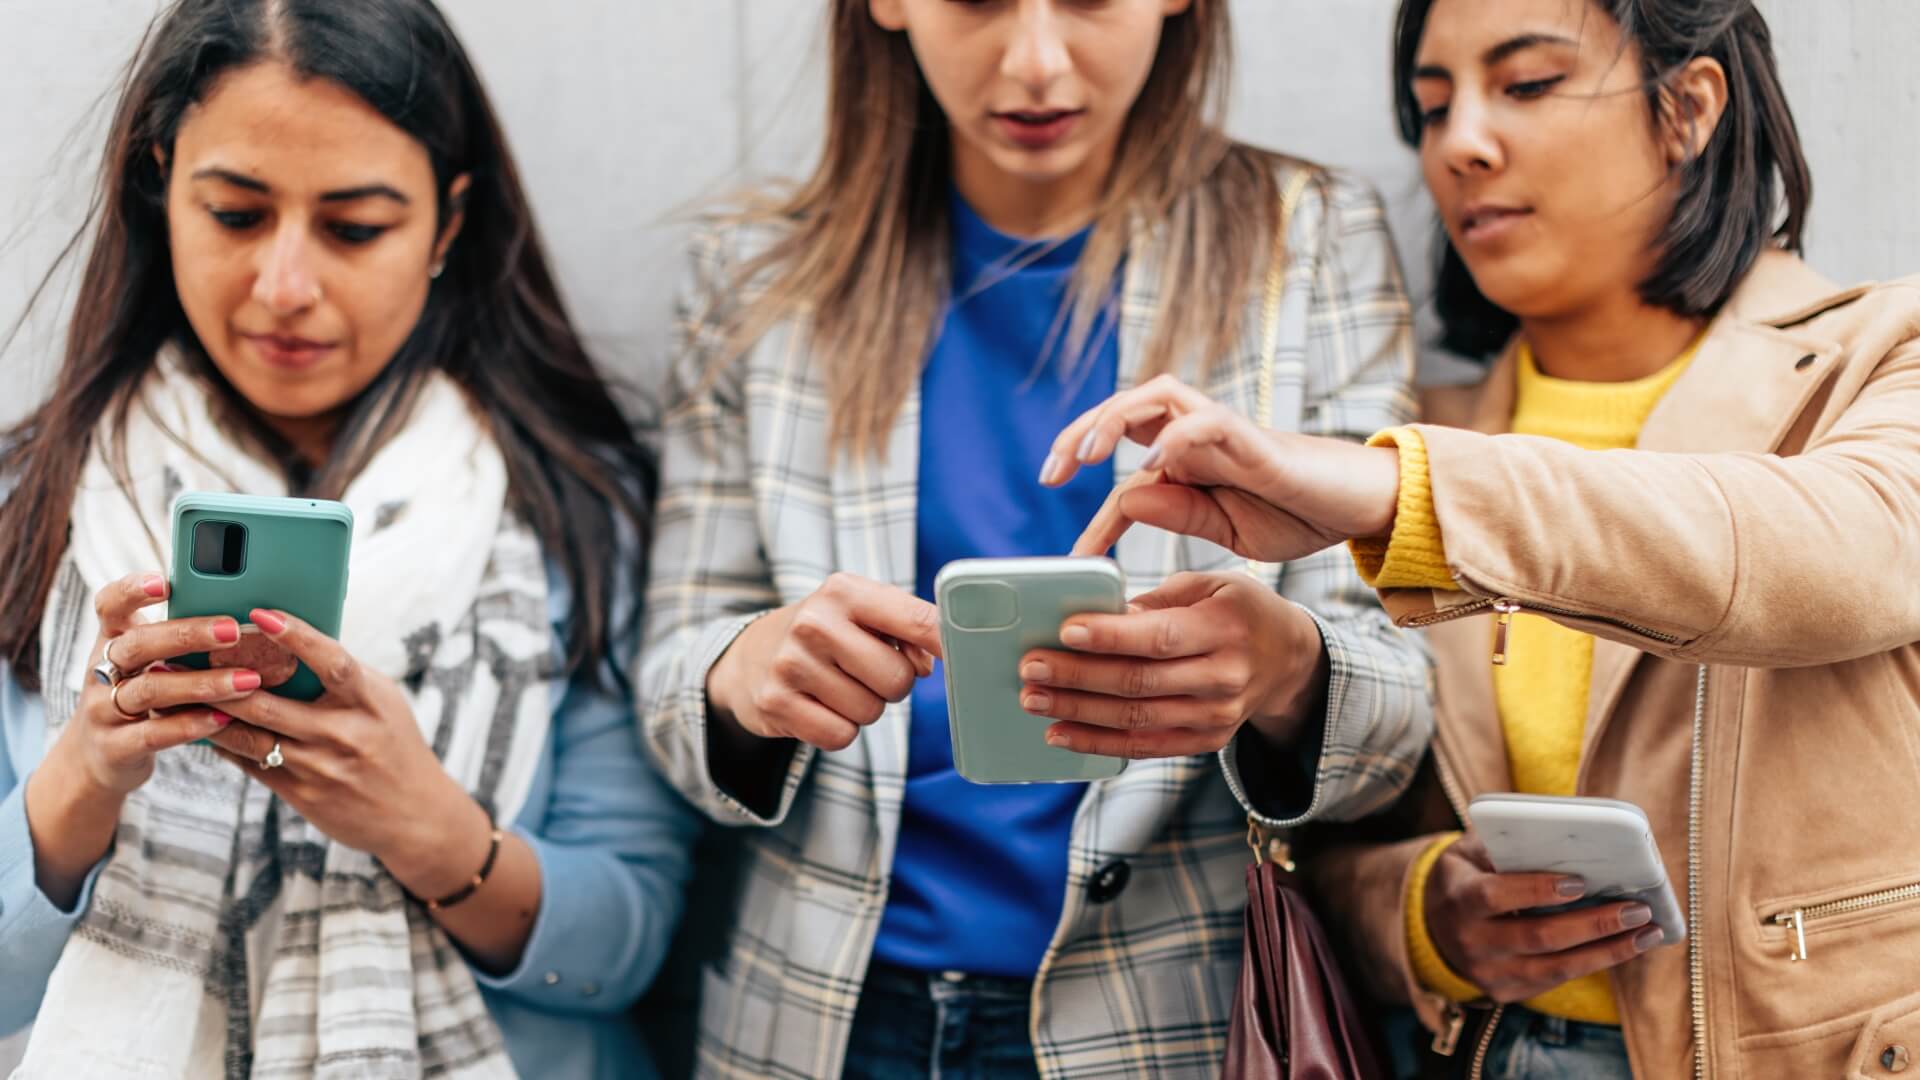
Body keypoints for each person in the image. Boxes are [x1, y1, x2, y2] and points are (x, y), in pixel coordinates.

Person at [1046, 0, 1920, 1076]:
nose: (1461, 142)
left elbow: (1828, 550)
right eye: (1431, 106)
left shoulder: (1876, 361)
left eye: (1529, 83)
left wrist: (1393, 487)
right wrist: (1424, 917)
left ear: (1688, 107)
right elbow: (1319, 855)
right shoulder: (1421, 430)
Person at [637, 1, 1434, 1076]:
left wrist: (1287, 671)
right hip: (823, 1014)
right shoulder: (757, 276)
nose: (1037, 63)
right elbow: (668, 683)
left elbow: (1396, 723)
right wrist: (745, 679)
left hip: (1170, 1021)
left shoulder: (1308, 239)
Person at [0, 2, 697, 1076]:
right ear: (158, 187)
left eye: (355, 228)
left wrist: (430, 828)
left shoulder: (570, 510)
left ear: (448, 226)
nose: (287, 287)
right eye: (235, 214)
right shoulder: (34, 504)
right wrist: (83, 775)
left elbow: (633, 943)